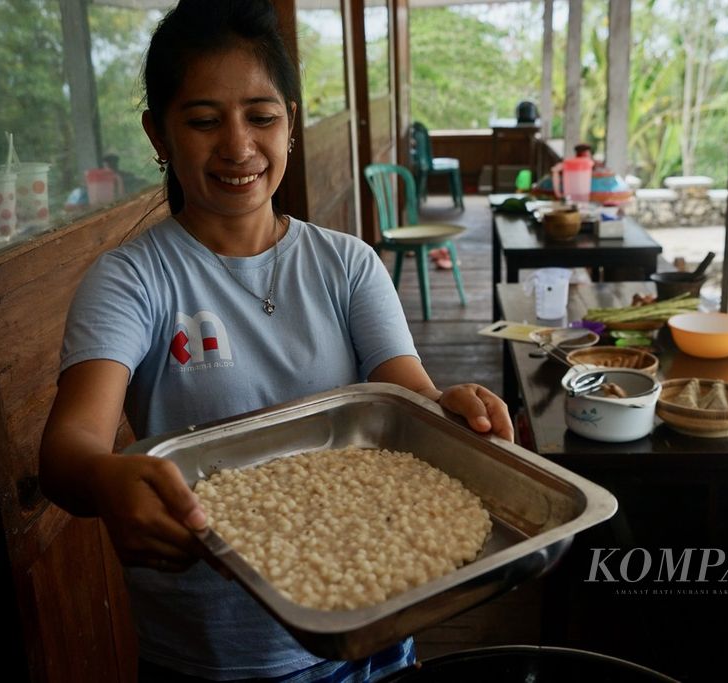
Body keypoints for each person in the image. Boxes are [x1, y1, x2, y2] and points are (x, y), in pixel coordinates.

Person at [37, 1, 512, 682]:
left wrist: (451, 404)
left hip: (373, 619)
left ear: (291, 119)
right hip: (217, 655)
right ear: (159, 133)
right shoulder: (132, 279)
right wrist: (104, 476)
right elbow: (67, 445)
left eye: (261, 117)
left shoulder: (347, 263)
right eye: (203, 121)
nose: (237, 146)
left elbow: (406, 394)